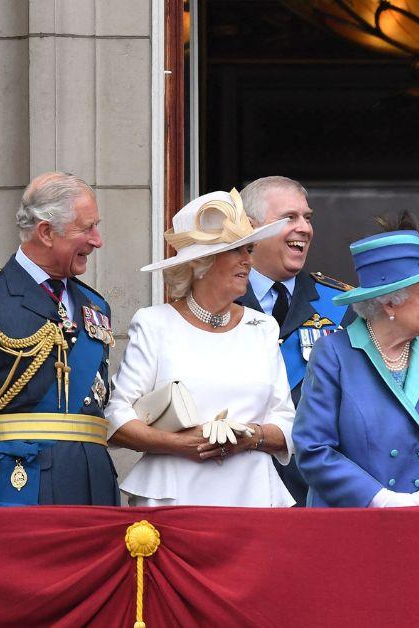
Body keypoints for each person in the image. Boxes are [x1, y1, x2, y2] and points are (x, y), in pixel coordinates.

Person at [0, 172, 118, 507]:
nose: (97, 240)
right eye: (87, 228)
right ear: (46, 232)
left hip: (94, 489)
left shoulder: (95, 305)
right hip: (17, 489)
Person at [104, 190, 297, 507]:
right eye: (236, 251)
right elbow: (116, 417)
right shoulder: (155, 324)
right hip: (174, 500)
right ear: (201, 263)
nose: (248, 261)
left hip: (254, 500)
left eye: (248, 249)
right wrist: (180, 444)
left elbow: (287, 426)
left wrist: (249, 436)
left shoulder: (263, 327)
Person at [293, 213, 419, 507]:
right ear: (391, 301)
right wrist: (379, 499)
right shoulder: (334, 354)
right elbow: (313, 448)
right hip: (351, 525)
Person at [236, 175, 354, 505]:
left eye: (307, 217)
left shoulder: (341, 307)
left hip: (315, 491)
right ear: (250, 227)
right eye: (289, 217)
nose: (304, 227)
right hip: (235, 487)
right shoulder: (216, 303)